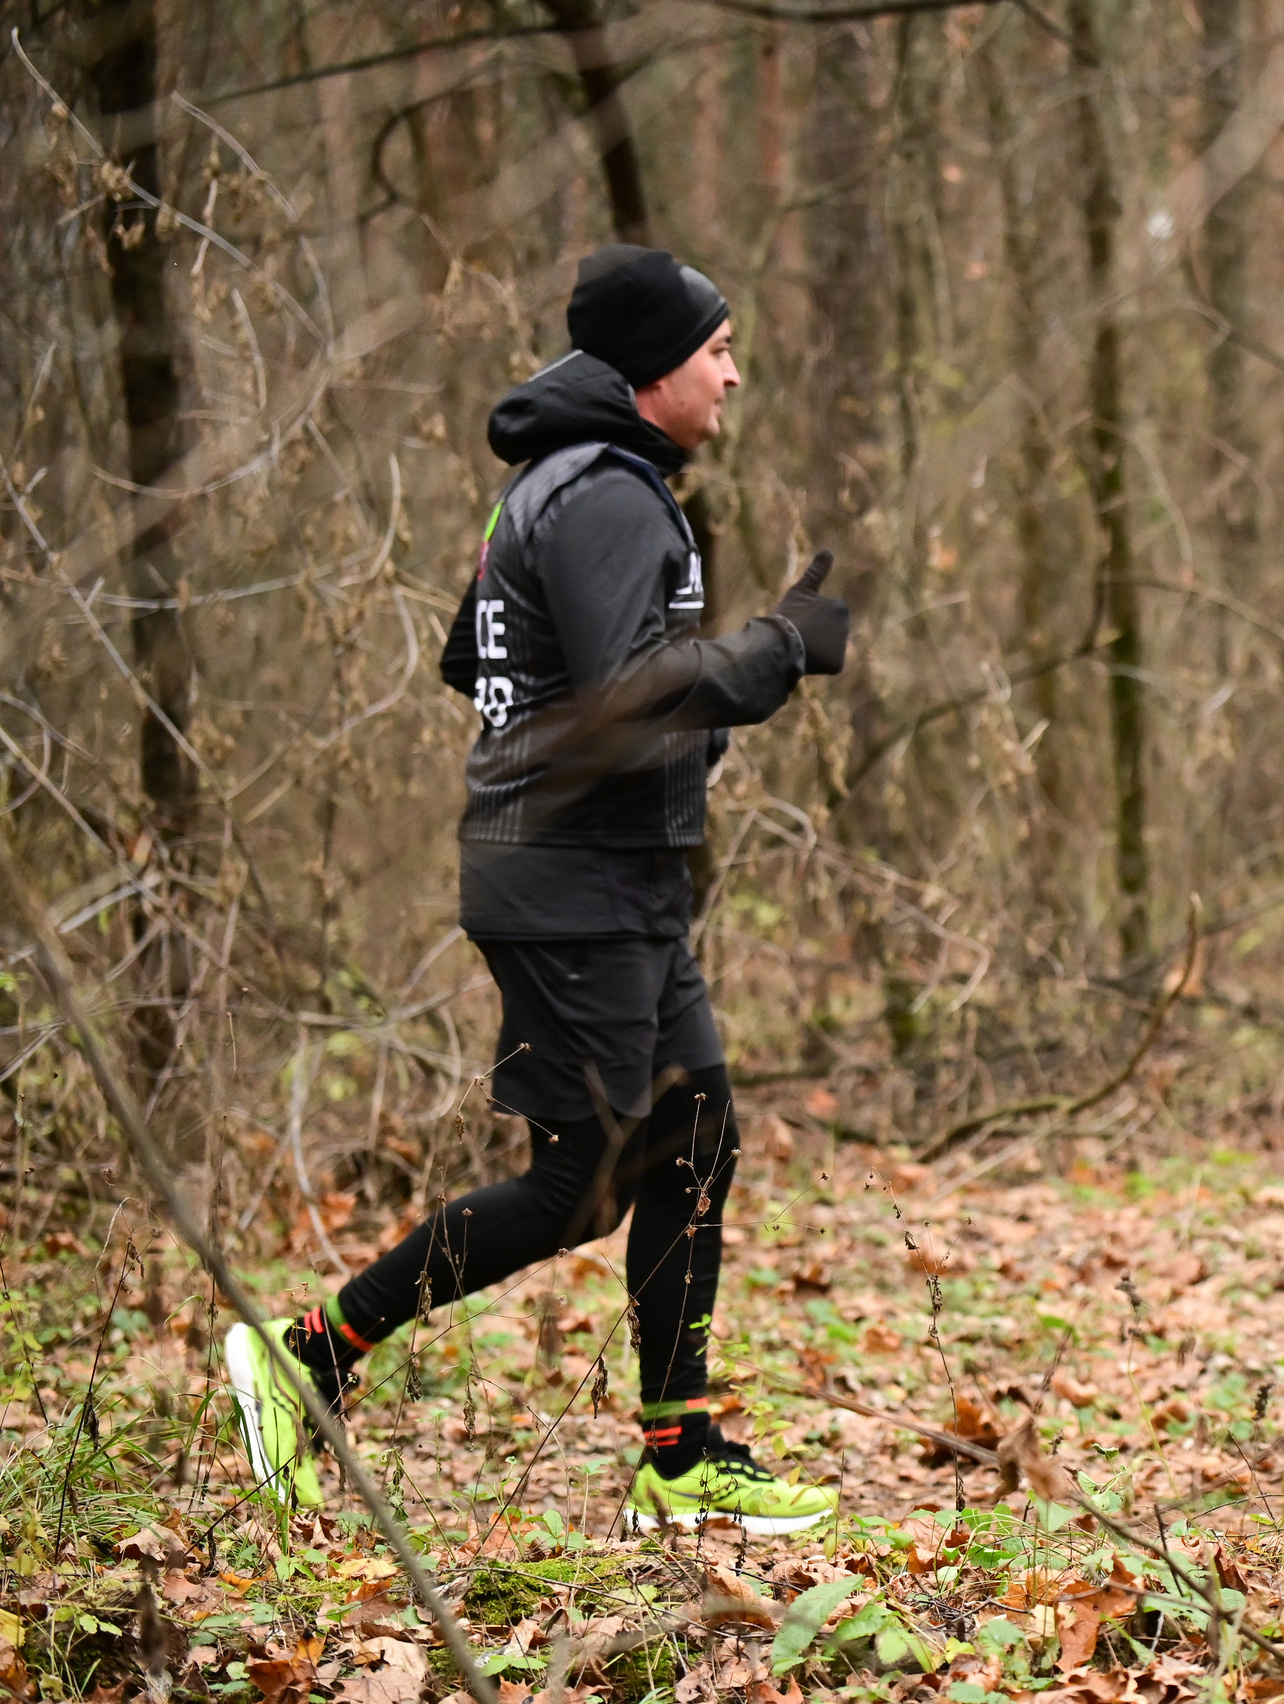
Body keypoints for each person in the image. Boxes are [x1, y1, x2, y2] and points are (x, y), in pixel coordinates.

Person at [223, 245, 851, 1534]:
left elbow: (486, 662)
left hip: (607, 876)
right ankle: (310, 1354)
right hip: (573, 884)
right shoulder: (607, 493)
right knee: (584, 1185)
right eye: (718, 350)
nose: (734, 374)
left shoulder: (556, 485)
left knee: (695, 1138)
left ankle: (680, 1452)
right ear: (656, 367)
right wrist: (774, 651)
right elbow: (627, 692)